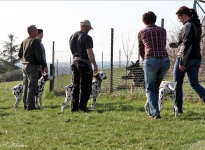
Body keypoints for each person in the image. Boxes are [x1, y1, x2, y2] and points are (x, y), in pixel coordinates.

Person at [169, 6, 205, 114]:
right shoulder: (197, 25)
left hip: (186, 58)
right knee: (194, 84)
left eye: (179, 18)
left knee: (177, 83)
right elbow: (187, 42)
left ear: (184, 16)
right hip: (196, 58)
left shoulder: (187, 26)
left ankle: (178, 109)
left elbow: (187, 45)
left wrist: (182, 62)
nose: (179, 21)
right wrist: (175, 44)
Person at [138, 11, 170, 119]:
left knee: (150, 88)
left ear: (144, 21)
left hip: (150, 60)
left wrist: (145, 60)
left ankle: (155, 112)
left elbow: (141, 50)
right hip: (165, 60)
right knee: (156, 86)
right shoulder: (162, 30)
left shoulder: (142, 32)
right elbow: (163, 44)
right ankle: (154, 111)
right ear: (155, 19)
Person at [69, 20, 98, 112]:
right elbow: (89, 53)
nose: (89, 30)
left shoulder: (72, 36)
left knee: (75, 85)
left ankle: (74, 107)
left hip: (74, 62)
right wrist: (94, 64)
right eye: (89, 28)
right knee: (85, 86)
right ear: (86, 27)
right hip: (84, 63)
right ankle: (82, 107)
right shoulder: (87, 37)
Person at [18, 25, 47, 110]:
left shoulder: (24, 41)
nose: (37, 32)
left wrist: (25, 59)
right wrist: (43, 65)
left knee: (25, 86)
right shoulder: (35, 41)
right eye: (36, 30)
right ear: (32, 32)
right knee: (32, 86)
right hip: (32, 66)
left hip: (24, 66)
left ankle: (25, 105)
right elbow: (39, 55)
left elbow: (19, 54)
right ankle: (31, 106)